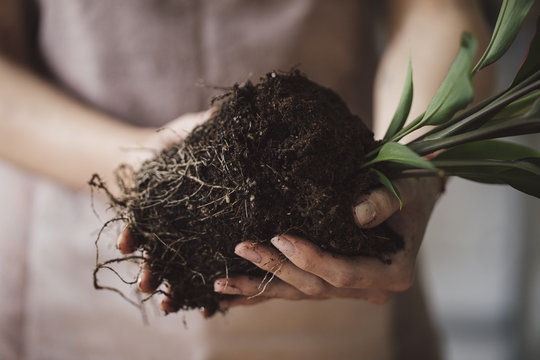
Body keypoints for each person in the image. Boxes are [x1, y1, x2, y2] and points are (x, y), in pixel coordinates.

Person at [0, 0, 493, 359]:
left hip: (339, 246)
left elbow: (436, 10)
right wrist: (139, 162)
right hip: (71, 270)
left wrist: (413, 164)